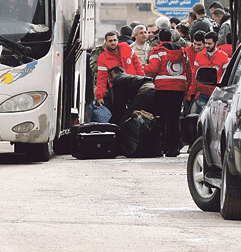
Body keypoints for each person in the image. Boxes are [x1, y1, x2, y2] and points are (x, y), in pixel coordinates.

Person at [142, 29, 190, 157]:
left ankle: (161, 147)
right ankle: (174, 148)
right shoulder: (182, 51)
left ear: (159, 39)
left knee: (161, 118)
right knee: (174, 118)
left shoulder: (157, 51)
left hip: (163, 88)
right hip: (179, 88)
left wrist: (144, 68)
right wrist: (186, 87)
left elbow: (152, 69)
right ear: (171, 38)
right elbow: (188, 70)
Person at [95, 30, 144, 107]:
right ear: (106, 42)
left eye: (114, 40)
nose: (113, 43)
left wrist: (141, 81)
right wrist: (99, 96)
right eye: (110, 41)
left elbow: (137, 66)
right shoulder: (103, 58)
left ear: (118, 40)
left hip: (133, 85)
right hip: (118, 89)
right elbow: (101, 78)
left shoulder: (126, 48)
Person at [187, 31, 230, 113]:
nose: (207, 46)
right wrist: (191, 92)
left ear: (216, 43)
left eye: (209, 44)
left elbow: (227, 76)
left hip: (217, 96)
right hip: (202, 95)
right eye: (206, 43)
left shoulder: (223, 57)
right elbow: (194, 75)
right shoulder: (199, 56)